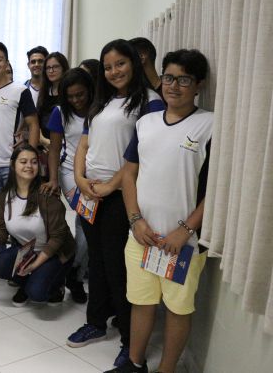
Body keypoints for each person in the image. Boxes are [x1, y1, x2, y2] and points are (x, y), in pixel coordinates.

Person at [106, 50, 212, 373]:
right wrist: (135, 221)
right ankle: (135, 362)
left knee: (178, 308)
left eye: (184, 80)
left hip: (183, 244)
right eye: (169, 78)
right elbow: (129, 175)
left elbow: (216, 190)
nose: (174, 86)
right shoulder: (145, 123)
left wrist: (186, 230)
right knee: (142, 302)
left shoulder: (210, 125)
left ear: (198, 85)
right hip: (142, 236)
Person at [67, 39, 165, 368]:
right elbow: (84, 144)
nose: (114, 71)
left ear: (134, 63)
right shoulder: (102, 101)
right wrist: (80, 179)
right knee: (96, 261)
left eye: (120, 64)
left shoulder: (150, 102)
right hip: (91, 193)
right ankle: (96, 321)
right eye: (108, 67)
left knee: (118, 267)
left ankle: (128, 339)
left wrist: (111, 185)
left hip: (121, 196)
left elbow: (144, 154)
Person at [0, 144, 75, 306]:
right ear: (13, 165)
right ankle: (26, 283)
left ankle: (57, 283)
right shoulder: (4, 196)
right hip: (28, 251)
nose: (29, 166)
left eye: (34, 162)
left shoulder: (47, 193)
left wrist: (35, 265)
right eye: (23, 162)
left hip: (54, 252)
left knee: (37, 294)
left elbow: (58, 238)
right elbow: (1, 229)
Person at [0, 42, 39, 270]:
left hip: (12, 164)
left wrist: (29, 156)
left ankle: (20, 262)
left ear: (6, 63)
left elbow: (33, 124)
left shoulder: (20, 91)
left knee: (16, 214)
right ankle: (0, 262)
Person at [41, 67, 96, 304]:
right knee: (86, 221)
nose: (75, 100)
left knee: (89, 225)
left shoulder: (100, 109)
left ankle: (76, 271)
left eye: (80, 94)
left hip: (97, 175)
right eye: (70, 96)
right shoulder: (60, 112)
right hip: (69, 174)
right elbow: (54, 150)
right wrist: (53, 178)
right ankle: (73, 273)